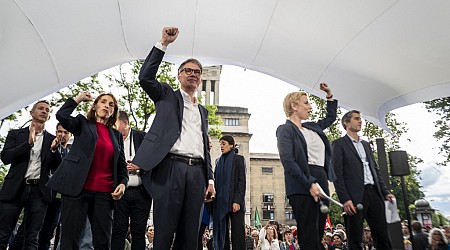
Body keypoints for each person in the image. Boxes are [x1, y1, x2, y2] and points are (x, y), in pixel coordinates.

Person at [131, 26, 215, 249]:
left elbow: (205, 147)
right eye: (188, 70)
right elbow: (145, 77)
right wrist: (163, 43)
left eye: (197, 71)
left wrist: (210, 179)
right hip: (170, 169)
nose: (193, 74)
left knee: (190, 235)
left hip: (197, 173)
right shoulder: (166, 96)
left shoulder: (203, 112)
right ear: (179, 75)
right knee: (165, 231)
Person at [46, 92, 128, 249]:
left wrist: (123, 183)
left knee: (103, 242)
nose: (106, 106)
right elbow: (61, 115)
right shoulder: (82, 124)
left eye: (111, 105)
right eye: (103, 102)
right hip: (77, 190)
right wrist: (78, 98)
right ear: (95, 106)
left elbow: (121, 165)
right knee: (70, 240)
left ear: (113, 112)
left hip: (105, 194)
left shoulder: (116, 135)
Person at [276, 84, 337, 250]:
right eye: (306, 103)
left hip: (321, 179)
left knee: (318, 232)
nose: (310, 107)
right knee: (308, 234)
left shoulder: (312, 127)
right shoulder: (285, 130)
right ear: (294, 106)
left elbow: (331, 118)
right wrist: (309, 183)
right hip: (301, 184)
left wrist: (329, 95)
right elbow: (288, 162)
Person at [0, 100, 61, 250]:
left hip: (38, 192)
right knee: (2, 234)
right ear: (31, 113)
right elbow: (6, 157)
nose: (44, 111)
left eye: (47, 110)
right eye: (40, 108)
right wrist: (28, 144)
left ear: (48, 116)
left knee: (32, 237)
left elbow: (57, 167)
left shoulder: (51, 139)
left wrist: (54, 150)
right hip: (14, 189)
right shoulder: (15, 134)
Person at [332, 110, 395, 250]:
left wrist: (385, 192)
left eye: (360, 118)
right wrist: (345, 199)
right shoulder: (338, 144)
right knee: (355, 239)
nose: (360, 121)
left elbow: (375, 170)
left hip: (374, 193)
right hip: (354, 198)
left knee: (382, 235)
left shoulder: (366, 144)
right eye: (356, 119)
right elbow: (337, 174)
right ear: (346, 123)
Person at [9, 123, 72, 250]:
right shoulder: (47, 146)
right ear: (56, 132)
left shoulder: (71, 154)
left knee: (47, 233)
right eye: (60, 131)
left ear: (70, 135)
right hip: (42, 195)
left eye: (66, 132)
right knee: (27, 230)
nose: (62, 135)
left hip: (58, 200)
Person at [111, 111, 152, 250]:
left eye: (115, 124)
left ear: (126, 123)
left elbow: (155, 160)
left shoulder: (143, 137)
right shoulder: (112, 138)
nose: (113, 127)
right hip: (120, 191)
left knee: (138, 232)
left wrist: (140, 165)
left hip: (142, 192)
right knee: (118, 231)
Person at [213, 135, 246, 250]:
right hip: (221, 204)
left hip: (235, 203)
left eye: (224, 143)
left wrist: (237, 201)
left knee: (238, 235)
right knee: (223, 235)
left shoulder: (239, 159)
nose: (221, 146)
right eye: (220, 144)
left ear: (231, 145)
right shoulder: (218, 161)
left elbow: (242, 182)